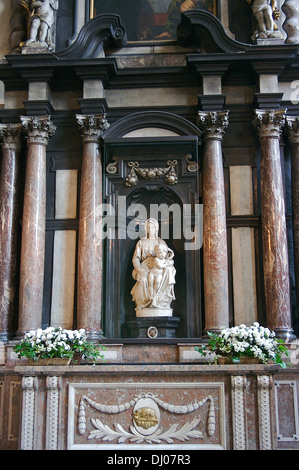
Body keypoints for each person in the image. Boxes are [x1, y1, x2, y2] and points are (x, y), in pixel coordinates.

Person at [130, 218, 176, 313]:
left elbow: (168, 257)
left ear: (157, 229)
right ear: (146, 229)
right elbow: (136, 258)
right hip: (145, 266)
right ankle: (143, 303)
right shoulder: (141, 243)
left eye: (153, 228)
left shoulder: (161, 242)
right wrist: (139, 269)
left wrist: (168, 263)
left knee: (167, 272)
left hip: (158, 266)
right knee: (143, 279)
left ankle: (159, 300)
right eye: (149, 227)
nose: (151, 230)